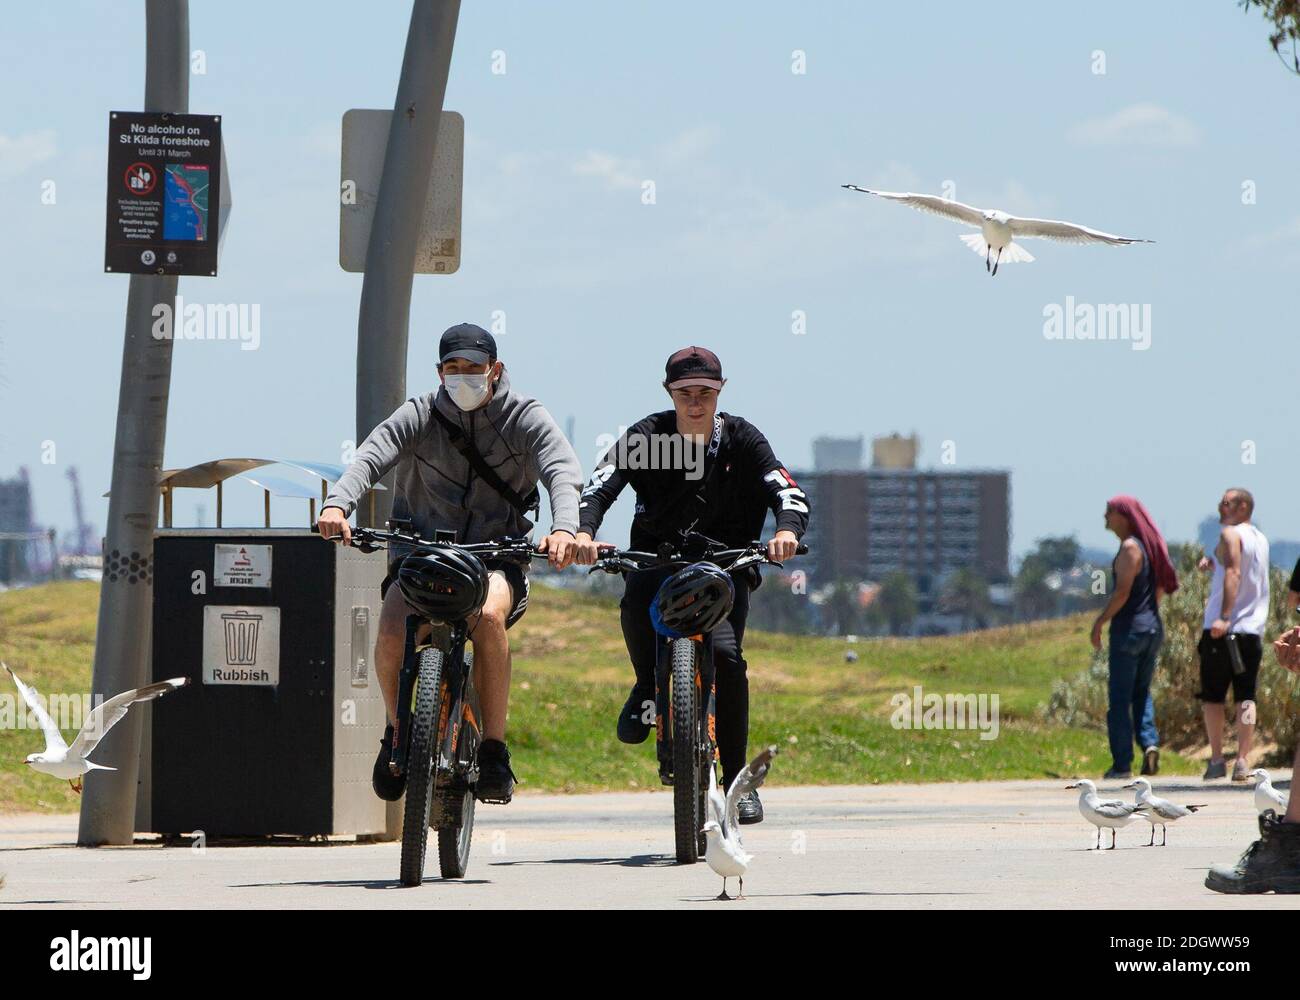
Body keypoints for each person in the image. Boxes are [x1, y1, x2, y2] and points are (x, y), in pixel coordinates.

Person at [317, 323, 584, 805]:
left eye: (473, 369)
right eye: (452, 369)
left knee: (485, 617)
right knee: (394, 627)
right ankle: (398, 734)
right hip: (420, 556)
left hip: (496, 560)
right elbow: (370, 457)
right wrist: (339, 505)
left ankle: (495, 750)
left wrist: (565, 528)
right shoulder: (418, 414)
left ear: (495, 370)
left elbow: (561, 470)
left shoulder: (525, 417)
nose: (463, 378)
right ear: (439, 372)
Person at [569, 347, 810, 824]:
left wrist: (786, 531)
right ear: (669, 394)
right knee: (635, 600)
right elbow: (601, 483)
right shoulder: (648, 436)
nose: (695, 404)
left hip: (725, 567)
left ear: (720, 393)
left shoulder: (743, 439)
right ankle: (645, 686)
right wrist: (583, 533)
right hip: (657, 562)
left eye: (705, 394)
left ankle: (739, 781)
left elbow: (787, 489)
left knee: (728, 659)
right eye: (685, 394)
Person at [1205, 626, 1300, 893]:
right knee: (1245, 697)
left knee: (1240, 698)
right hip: (1249, 636)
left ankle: (1290, 853)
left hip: (1232, 635)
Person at [1090, 495, 1179, 780]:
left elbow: (1122, 593)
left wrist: (1099, 622)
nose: (1105, 518)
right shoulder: (1148, 548)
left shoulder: (1130, 548)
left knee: (1119, 698)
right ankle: (1149, 743)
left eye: (1109, 512)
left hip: (1129, 631)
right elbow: (1160, 590)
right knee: (1141, 692)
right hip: (1152, 629)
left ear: (1124, 516)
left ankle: (1122, 763)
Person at [1196, 488, 1270, 782]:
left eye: (1225, 502)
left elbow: (1234, 573)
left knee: (1213, 697)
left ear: (1242, 506)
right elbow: (1237, 568)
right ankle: (1242, 758)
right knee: (1246, 696)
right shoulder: (1259, 539)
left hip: (1225, 629)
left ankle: (1217, 759)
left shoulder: (1231, 534)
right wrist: (1214, 564)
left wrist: (1224, 617)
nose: (1220, 507)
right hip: (1253, 628)